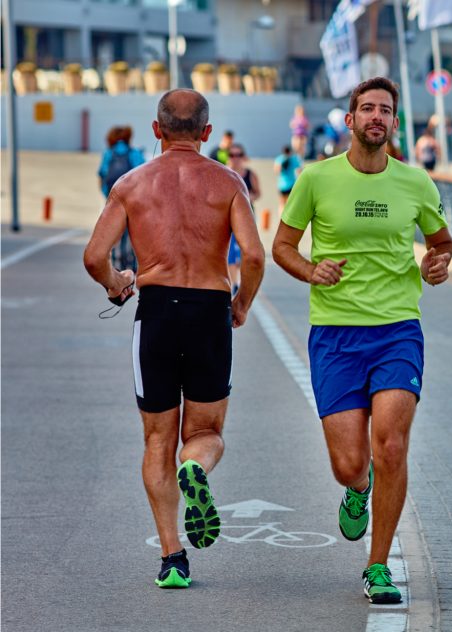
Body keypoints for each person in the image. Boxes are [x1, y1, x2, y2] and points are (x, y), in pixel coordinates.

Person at [272, 77, 452, 604]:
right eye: (367, 108)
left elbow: (441, 242)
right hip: (335, 334)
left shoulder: (415, 183)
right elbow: (283, 245)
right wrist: (310, 270)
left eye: (386, 110)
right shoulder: (316, 178)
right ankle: (358, 488)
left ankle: (378, 566)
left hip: (398, 330)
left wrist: (435, 264)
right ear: (349, 120)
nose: (377, 116)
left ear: (395, 123)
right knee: (350, 463)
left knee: (392, 446)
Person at [83, 89, 265, 589]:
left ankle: (172, 560)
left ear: (156, 129)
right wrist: (241, 303)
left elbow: (95, 256)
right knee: (203, 434)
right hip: (209, 313)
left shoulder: (131, 183)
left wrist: (118, 283)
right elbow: (253, 256)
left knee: (157, 438)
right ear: (207, 133)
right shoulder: (229, 182)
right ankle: (196, 468)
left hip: (157, 312)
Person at [98, 126, 146, 270]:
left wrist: (107, 196)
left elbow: (102, 175)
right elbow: (143, 176)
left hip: (112, 201)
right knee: (132, 235)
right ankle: (131, 267)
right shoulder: (134, 153)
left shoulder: (108, 154)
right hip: (133, 202)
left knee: (115, 235)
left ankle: (116, 266)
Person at [226, 142, 261, 295]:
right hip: (228, 218)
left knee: (246, 251)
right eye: (232, 155)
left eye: (238, 155)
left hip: (247, 218)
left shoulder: (249, 174)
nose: (235, 158)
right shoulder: (224, 173)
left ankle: (240, 281)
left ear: (243, 157)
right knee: (230, 253)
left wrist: (248, 197)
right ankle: (234, 283)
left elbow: (258, 192)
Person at [274, 145, 303, 214]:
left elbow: (276, 171)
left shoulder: (279, 159)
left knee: (282, 204)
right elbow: (299, 171)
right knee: (291, 205)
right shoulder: (294, 159)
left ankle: (281, 219)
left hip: (282, 185)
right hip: (291, 185)